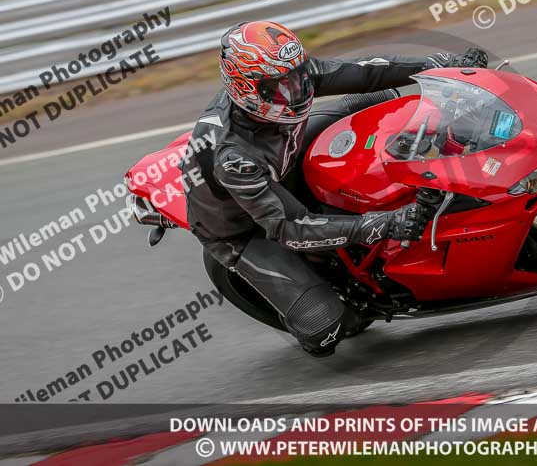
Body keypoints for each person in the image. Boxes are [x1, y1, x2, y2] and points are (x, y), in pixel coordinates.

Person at [182, 20, 488, 356]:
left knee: (378, 97)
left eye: (298, 77)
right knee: (328, 327)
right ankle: (312, 320)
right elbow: (289, 228)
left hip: (284, 157)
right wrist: (387, 224)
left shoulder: (285, 80)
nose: (296, 90)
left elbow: (363, 71)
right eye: (280, 87)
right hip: (245, 227)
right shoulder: (232, 156)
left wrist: (440, 66)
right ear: (246, 88)